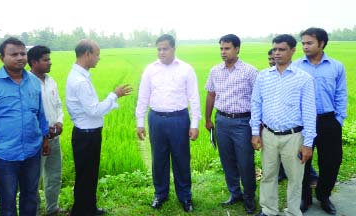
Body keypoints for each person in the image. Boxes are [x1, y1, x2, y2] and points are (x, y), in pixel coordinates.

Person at [0, 37, 50, 216]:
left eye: (23, 53)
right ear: (2, 58)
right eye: (14, 54)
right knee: (7, 203)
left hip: (32, 151)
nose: (20, 57)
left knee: (30, 197)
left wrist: (45, 139)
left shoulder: (34, 82)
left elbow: (40, 114)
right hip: (5, 155)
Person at [250, 34, 316, 216]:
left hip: (294, 137)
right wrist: (255, 132)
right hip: (269, 135)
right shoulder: (263, 77)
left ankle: (293, 212)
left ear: (293, 51)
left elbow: (310, 113)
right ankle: (269, 210)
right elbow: (256, 104)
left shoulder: (304, 78)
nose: (277, 53)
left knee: (295, 179)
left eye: (282, 49)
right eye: (275, 49)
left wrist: (308, 143)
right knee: (268, 175)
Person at [66, 39, 132, 216]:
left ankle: (87, 209)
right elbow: (94, 110)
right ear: (87, 54)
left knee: (88, 175)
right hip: (87, 136)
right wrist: (114, 95)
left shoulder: (80, 76)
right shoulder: (80, 81)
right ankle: (82, 211)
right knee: (86, 175)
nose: (99, 58)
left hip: (87, 134)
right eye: (97, 54)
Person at [135, 34, 201, 212]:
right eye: (159, 49)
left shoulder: (186, 69)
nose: (161, 52)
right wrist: (140, 121)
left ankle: (185, 197)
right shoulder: (150, 70)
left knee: (181, 159)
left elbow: (194, 97)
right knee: (159, 159)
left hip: (179, 119)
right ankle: (160, 194)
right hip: (156, 119)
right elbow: (143, 96)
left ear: (173, 49)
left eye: (165, 49)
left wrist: (194, 123)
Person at [294, 27, 347, 215]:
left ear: (322, 43)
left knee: (330, 161)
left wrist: (338, 120)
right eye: (303, 43)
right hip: (303, 123)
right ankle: (305, 197)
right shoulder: (296, 66)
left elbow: (341, 94)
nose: (305, 47)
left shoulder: (336, 66)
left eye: (309, 43)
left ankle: (324, 196)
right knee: (302, 161)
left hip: (328, 121)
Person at [205, 34, 257, 214]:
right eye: (221, 48)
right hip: (221, 121)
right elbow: (211, 94)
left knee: (245, 162)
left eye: (227, 48)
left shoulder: (250, 71)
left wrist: (258, 127)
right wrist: (208, 119)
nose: (223, 52)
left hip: (243, 122)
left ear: (237, 49)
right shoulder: (215, 71)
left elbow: (258, 100)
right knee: (227, 161)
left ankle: (249, 197)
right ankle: (235, 193)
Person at [27, 45, 66, 216]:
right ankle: (33, 211)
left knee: (54, 175)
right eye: (46, 60)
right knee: (33, 180)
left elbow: (58, 105)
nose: (50, 62)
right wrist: (43, 131)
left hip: (54, 138)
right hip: (35, 141)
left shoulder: (51, 81)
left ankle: (52, 208)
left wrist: (59, 122)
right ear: (34, 62)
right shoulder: (26, 83)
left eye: (49, 59)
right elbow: (28, 113)